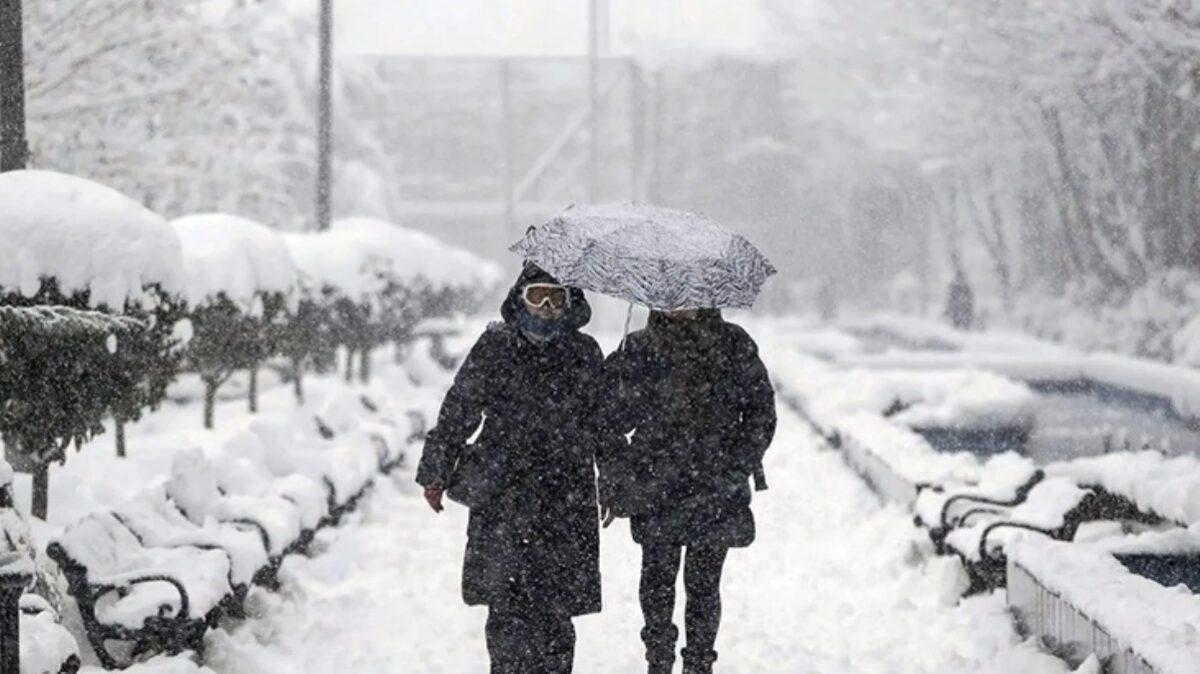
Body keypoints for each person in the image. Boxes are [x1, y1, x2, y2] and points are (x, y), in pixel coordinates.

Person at [416, 263, 610, 674]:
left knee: (556, 613)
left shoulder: (585, 353)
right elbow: (458, 410)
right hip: (503, 494)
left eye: (555, 297)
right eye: (536, 295)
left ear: (570, 303)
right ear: (518, 298)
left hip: (566, 496)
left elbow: (605, 426)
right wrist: (436, 470)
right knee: (505, 608)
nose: (544, 307)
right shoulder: (495, 346)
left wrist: (614, 482)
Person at [599, 308, 777, 674]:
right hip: (656, 485)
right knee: (657, 577)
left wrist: (736, 464)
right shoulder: (639, 348)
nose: (681, 304)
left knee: (704, 583)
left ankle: (699, 660)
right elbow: (610, 420)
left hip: (715, 486)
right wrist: (619, 476)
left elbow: (761, 412)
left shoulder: (733, 343)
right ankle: (658, 658)